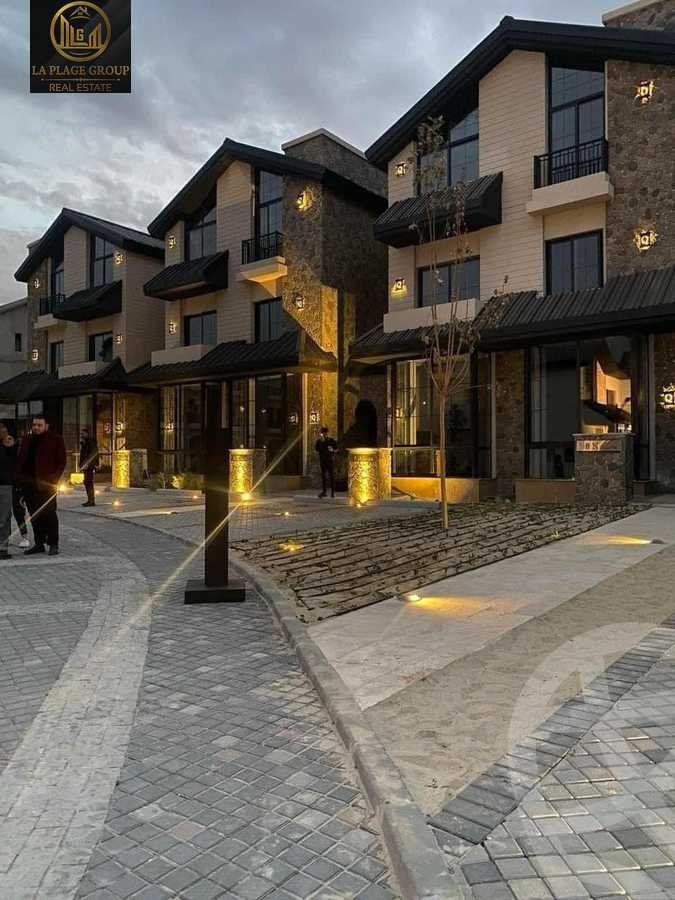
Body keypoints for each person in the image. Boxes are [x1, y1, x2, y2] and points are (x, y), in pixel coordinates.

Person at [17, 416, 66, 557]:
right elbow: (21, 460)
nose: (36, 427)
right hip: (28, 485)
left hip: (46, 485)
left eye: (39, 425)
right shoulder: (27, 439)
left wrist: (54, 479)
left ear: (46, 426)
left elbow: (61, 462)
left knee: (49, 514)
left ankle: (53, 543)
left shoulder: (56, 439)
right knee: (34, 515)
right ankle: (39, 543)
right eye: (34, 425)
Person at [0, 422, 17, 560]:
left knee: (5, 517)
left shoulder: (9, 445)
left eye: (4, 431)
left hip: (5, 485)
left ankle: (2, 548)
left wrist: (11, 447)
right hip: (5, 484)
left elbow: (14, 463)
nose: (4, 433)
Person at [315, 426, 338, 499]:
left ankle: (332, 492)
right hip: (322, 460)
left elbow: (336, 449)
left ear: (327, 433)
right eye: (323, 433)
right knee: (323, 476)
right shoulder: (319, 441)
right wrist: (321, 443)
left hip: (330, 460)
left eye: (325, 433)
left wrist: (332, 450)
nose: (324, 434)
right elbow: (316, 449)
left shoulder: (331, 440)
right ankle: (324, 492)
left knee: (331, 476)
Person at [79, 426, 99, 507]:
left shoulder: (90, 442)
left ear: (87, 434)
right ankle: (90, 500)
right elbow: (83, 455)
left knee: (88, 482)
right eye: (81, 434)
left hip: (89, 466)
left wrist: (88, 464)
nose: (81, 435)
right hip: (85, 466)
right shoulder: (84, 443)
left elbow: (93, 454)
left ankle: (91, 501)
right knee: (87, 482)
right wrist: (81, 465)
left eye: (83, 434)